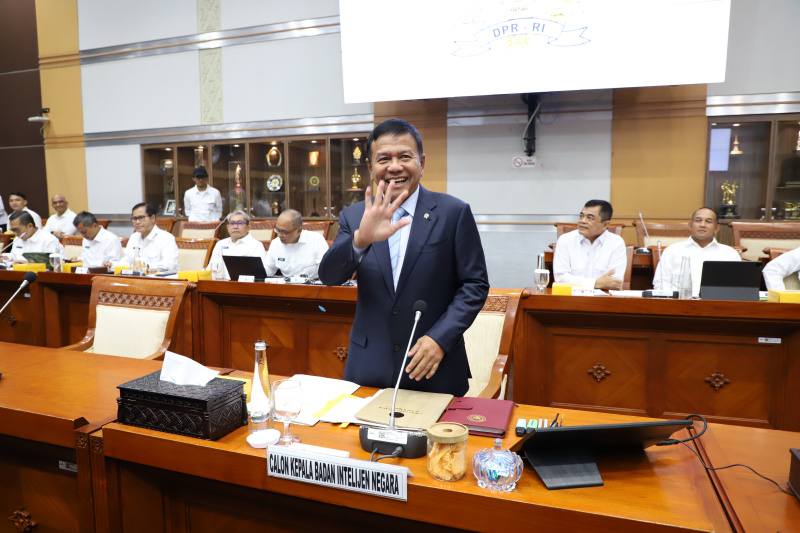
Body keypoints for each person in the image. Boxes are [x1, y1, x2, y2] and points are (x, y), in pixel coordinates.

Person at [319, 118, 489, 397]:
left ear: (422, 162)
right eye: (384, 158)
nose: (394, 166)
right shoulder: (355, 216)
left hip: (434, 365)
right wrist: (361, 240)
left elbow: (475, 285)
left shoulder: (453, 213)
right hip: (369, 367)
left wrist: (440, 338)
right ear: (371, 167)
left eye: (405, 157)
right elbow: (329, 277)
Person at [652, 207, 740, 296]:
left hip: (717, 306)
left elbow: (737, 287)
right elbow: (661, 284)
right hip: (679, 305)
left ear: (716, 228)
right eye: (698, 220)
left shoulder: (730, 254)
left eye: (708, 221)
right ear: (690, 226)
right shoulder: (672, 251)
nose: (702, 225)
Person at [553, 200, 627, 290]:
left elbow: (614, 282)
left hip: (604, 301)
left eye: (590, 218)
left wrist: (577, 282)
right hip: (572, 300)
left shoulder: (616, 243)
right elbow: (561, 279)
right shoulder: (565, 240)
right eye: (581, 216)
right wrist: (595, 283)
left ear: (605, 224)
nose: (582, 221)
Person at [112, 203, 178, 273]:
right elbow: (128, 260)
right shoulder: (134, 237)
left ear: (152, 218)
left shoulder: (166, 238)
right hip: (138, 278)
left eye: (141, 218)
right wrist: (113, 265)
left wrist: (143, 267)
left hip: (162, 279)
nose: (137, 222)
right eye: (134, 218)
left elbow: (168, 264)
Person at [265, 209, 329, 279]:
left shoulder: (316, 240)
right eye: (278, 230)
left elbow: (327, 271)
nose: (280, 235)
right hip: (286, 286)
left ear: (299, 231)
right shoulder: (276, 244)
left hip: (312, 286)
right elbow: (267, 270)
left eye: (284, 232)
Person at [206, 211, 268, 280]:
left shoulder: (256, 245)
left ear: (248, 227)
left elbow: (261, 275)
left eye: (240, 223)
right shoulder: (220, 244)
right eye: (232, 223)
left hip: (245, 286)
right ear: (228, 227)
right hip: (221, 284)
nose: (235, 227)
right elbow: (211, 269)